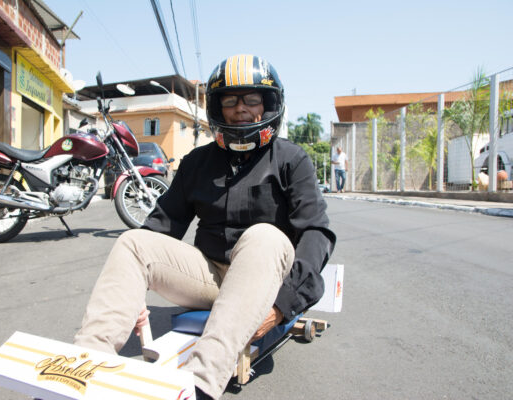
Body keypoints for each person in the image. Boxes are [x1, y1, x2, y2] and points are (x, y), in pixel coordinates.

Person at [74, 54, 336, 400]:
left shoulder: (292, 159)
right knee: (134, 242)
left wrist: (282, 306)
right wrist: (133, 286)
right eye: (230, 101)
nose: (241, 109)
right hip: (210, 276)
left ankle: (199, 384)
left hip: (267, 278)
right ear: (217, 108)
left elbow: (316, 233)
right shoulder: (196, 162)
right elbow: (160, 228)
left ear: (269, 104)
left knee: (265, 236)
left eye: (252, 99)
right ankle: (85, 369)